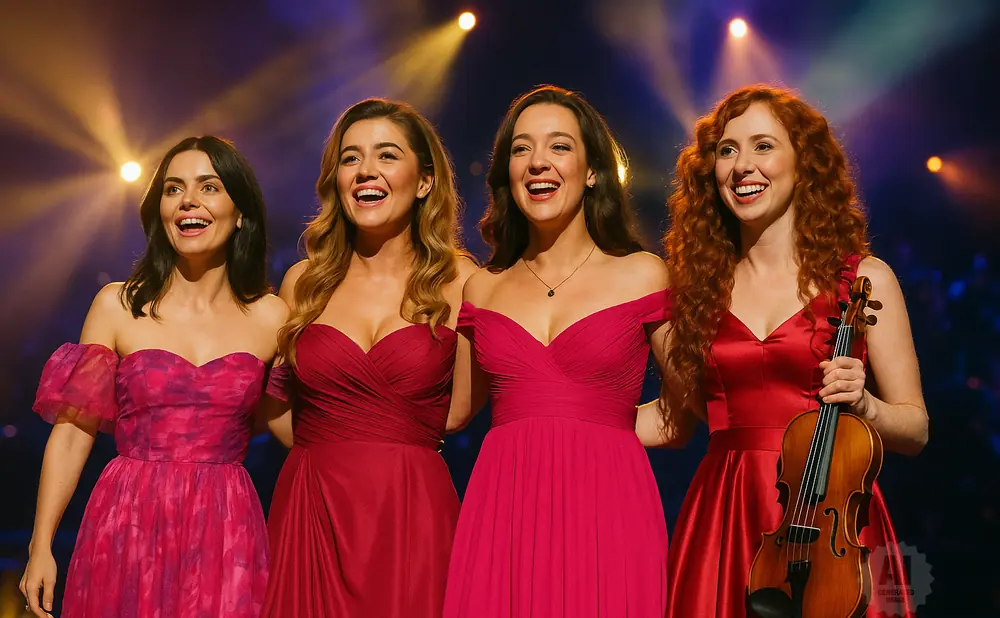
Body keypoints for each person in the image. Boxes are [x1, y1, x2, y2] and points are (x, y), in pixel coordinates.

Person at [660, 84, 929, 618]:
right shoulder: (693, 291)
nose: (742, 166)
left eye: (763, 146)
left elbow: (916, 429)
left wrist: (866, 406)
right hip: (725, 511)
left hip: (834, 519)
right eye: (727, 150)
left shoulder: (864, 280)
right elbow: (680, 416)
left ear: (804, 163)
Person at [19, 136, 287, 618]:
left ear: (241, 211)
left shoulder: (272, 317)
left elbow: (293, 427)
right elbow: (72, 435)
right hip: (128, 519)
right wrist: (41, 546)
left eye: (209, 187)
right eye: (173, 189)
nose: (188, 200)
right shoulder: (118, 305)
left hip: (226, 526)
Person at [443, 85, 672, 617]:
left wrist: (594, 426)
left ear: (593, 170)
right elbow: (455, 411)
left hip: (609, 509)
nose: (537, 162)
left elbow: (683, 412)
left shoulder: (642, 274)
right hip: (502, 511)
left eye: (559, 146)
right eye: (521, 149)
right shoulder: (483, 287)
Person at [259, 98, 477, 618]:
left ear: (424, 181)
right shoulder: (302, 282)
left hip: (411, 508)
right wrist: (330, 444)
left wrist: (394, 441)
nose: (366, 171)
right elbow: (276, 404)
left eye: (386, 155)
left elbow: (462, 408)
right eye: (350, 158)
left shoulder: (464, 281)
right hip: (311, 507)